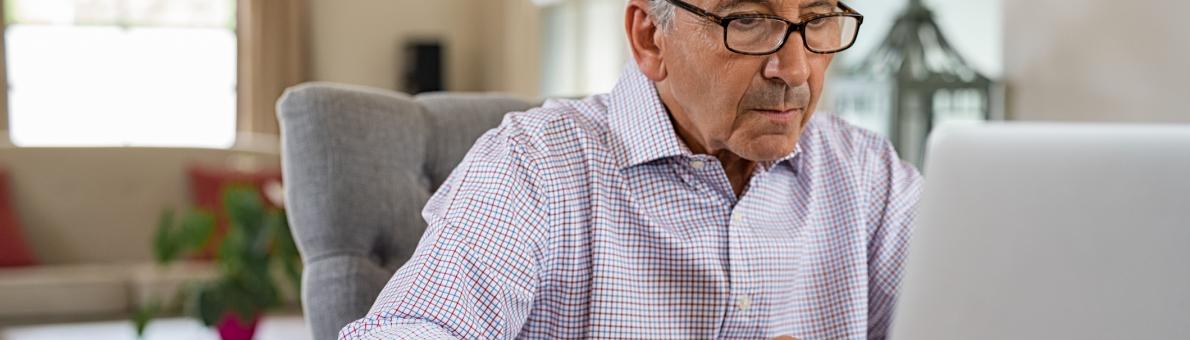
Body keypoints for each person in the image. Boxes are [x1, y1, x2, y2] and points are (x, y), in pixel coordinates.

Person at [340, 0, 921, 338]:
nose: (795, 68)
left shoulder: (868, 176)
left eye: (817, 19)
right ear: (650, 37)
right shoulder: (534, 165)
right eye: (747, 20)